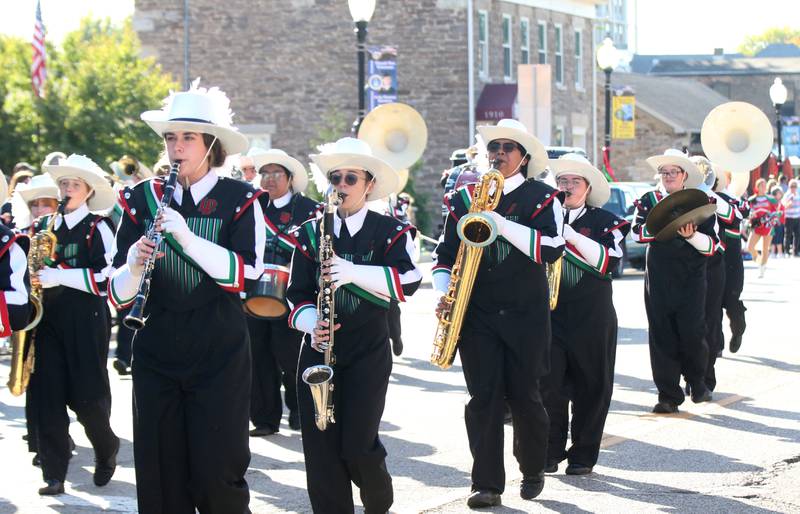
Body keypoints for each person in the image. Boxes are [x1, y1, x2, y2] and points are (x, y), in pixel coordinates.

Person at [108, 82, 265, 513]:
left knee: (218, 473)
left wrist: (188, 238)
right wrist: (134, 267)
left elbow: (247, 274)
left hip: (219, 347)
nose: (177, 148)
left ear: (210, 143)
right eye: (170, 137)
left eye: (188, 137)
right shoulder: (141, 199)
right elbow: (115, 295)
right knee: (160, 475)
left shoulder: (241, 198)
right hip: (156, 346)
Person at [287, 137, 421, 513]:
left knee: (358, 445)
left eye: (350, 178)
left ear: (369, 185)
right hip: (318, 349)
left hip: (368, 349)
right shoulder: (312, 231)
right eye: (335, 179)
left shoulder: (390, 231)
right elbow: (294, 295)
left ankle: (378, 502)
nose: (341, 186)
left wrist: (352, 272)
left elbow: (408, 281)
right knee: (320, 448)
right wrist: (312, 323)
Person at [434, 119, 564, 508]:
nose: (499, 153)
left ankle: (533, 466)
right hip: (477, 314)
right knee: (483, 399)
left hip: (526, 313)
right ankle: (486, 483)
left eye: (508, 147)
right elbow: (443, 256)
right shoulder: (463, 198)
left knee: (526, 396)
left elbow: (552, 248)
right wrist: (445, 295)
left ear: (523, 157)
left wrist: (502, 224)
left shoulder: (544, 198)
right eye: (494, 147)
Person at [29, 154, 119, 495]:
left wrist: (61, 276)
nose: (67, 190)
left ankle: (106, 446)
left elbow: (107, 278)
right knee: (48, 397)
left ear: (88, 192)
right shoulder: (44, 226)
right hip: (48, 321)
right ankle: (54, 473)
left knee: (88, 400)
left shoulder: (98, 228)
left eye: (74, 185)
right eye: (64, 184)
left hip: (86, 320)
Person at [542, 153, 628, 476]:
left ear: (587, 187)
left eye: (574, 182)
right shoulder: (544, 217)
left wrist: (570, 235)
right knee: (549, 385)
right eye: (562, 181)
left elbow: (608, 262)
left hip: (593, 317)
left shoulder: (605, 221)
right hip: (552, 314)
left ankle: (583, 455)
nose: (566, 187)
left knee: (593, 386)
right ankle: (548, 452)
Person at [632, 149, 718, 414]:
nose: (668, 176)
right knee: (661, 334)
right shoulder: (648, 200)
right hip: (659, 277)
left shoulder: (699, 200)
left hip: (691, 276)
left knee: (693, 331)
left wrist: (691, 236)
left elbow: (711, 246)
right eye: (664, 172)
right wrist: (662, 223)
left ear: (684, 175)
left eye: (673, 172)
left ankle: (697, 382)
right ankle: (668, 395)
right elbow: (636, 234)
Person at [246, 148, 318, 436]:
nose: (269, 179)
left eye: (276, 174)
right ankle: (265, 418)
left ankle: (300, 411)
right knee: (258, 355)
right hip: (254, 291)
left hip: (291, 291)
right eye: (264, 173)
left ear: (289, 178)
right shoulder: (251, 206)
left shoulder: (308, 210)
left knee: (292, 355)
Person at [10, 173, 61, 466]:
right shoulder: (19, 232)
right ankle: (37, 440)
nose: (40, 209)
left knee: (45, 379)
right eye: (36, 204)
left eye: (46, 204)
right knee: (26, 374)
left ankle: (50, 441)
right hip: (25, 313)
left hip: (52, 312)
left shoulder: (50, 233)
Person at [715, 170, 748, 353]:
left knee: (731, 300)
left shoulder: (734, 200)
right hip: (711, 259)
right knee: (711, 303)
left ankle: (738, 330)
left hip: (731, 260)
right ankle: (716, 344)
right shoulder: (700, 199)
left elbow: (741, 213)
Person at [747, 178, 778, 278]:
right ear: (757, 187)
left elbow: (776, 212)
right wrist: (751, 217)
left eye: (765, 185)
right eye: (761, 185)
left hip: (768, 226)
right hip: (757, 226)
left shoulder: (771, 199)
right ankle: (759, 261)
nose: (763, 187)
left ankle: (762, 269)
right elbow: (748, 212)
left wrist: (773, 217)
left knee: (765, 248)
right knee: (750, 247)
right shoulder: (752, 199)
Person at [782, 179, 800, 256]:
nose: (793, 188)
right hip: (789, 217)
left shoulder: (798, 194)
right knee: (787, 235)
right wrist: (788, 204)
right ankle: (786, 251)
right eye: (792, 186)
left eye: (795, 186)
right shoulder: (787, 195)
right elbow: (784, 206)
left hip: (797, 217)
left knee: (797, 235)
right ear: (789, 187)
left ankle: (795, 251)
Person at [770, 187, 786, 257]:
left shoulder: (780, 202)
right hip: (775, 223)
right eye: (778, 193)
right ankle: (773, 252)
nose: (780, 194)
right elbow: (774, 212)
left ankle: (779, 252)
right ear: (775, 194)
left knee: (780, 237)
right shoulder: (773, 203)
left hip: (781, 223)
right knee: (774, 238)